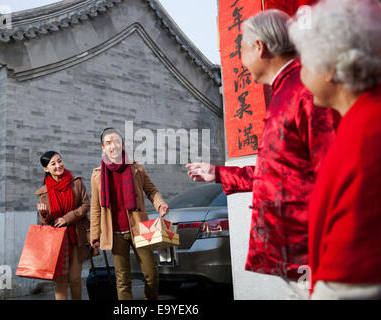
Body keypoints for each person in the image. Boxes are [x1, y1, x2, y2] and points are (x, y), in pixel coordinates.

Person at [186, 9, 340, 299]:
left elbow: (335, 171)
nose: (240, 59)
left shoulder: (306, 90)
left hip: (316, 246)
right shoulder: (285, 92)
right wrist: (218, 173)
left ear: (260, 47)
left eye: (241, 47)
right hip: (295, 247)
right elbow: (279, 172)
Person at [288, 0, 381, 299]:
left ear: (328, 68)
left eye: (304, 62)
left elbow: (351, 283)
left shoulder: (365, 139)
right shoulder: (360, 121)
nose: (301, 75)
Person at [89, 128, 169, 300]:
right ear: (103, 147)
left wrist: (160, 204)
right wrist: (95, 234)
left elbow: (151, 190)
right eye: (108, 143)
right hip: (115, 233)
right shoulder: (97, 175)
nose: (113, 146)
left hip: (140, 228)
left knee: (151, 274)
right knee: (123, 280)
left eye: (116, 142)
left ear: (123, 144)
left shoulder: (136, 168)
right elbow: (95, 208)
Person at [36, 151, 91, 300]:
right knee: (60, 280)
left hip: (76, 236)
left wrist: (68, 218)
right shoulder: (44, 193)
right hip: (57, 242)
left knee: (74, 279)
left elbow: (86, 205)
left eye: (59, 161)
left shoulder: (76, 183)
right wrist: (45, 214)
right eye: (53, 164)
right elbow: (46, 221)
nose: (58, 165)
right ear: (46, 169)